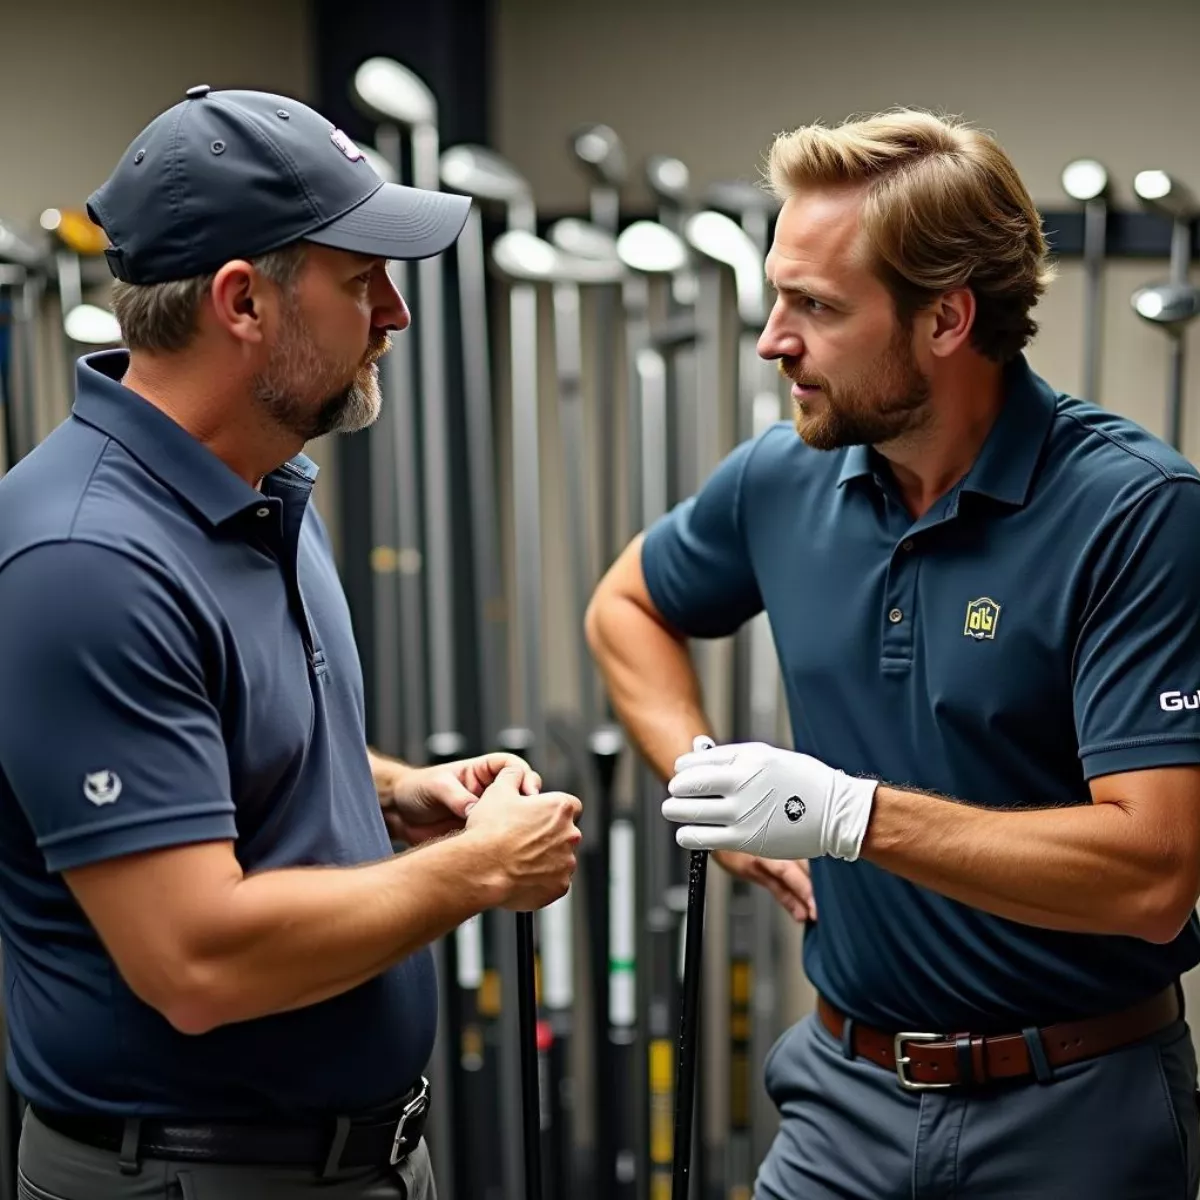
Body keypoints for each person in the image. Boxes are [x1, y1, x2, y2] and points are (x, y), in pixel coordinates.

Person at [587, 107, 1200, 1199]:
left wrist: (844, 815)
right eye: (779, 295)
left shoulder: (1135, 513)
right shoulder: (779, 479)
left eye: (816, 307)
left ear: (946, 321)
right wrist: (718, 792)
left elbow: (1152, 875)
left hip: (1075, 1112)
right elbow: (626, 607)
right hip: (842, 1097)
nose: (774, 339)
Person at [0, 86, 583, 1200]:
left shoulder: (259, 492)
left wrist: (396, 792)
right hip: (192, 1176)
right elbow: (196, 960)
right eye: (363, 280)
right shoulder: (86, 563)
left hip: (355, 1157)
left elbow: (220, 743)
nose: (397, 315)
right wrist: (477, 871)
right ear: (242, 303)